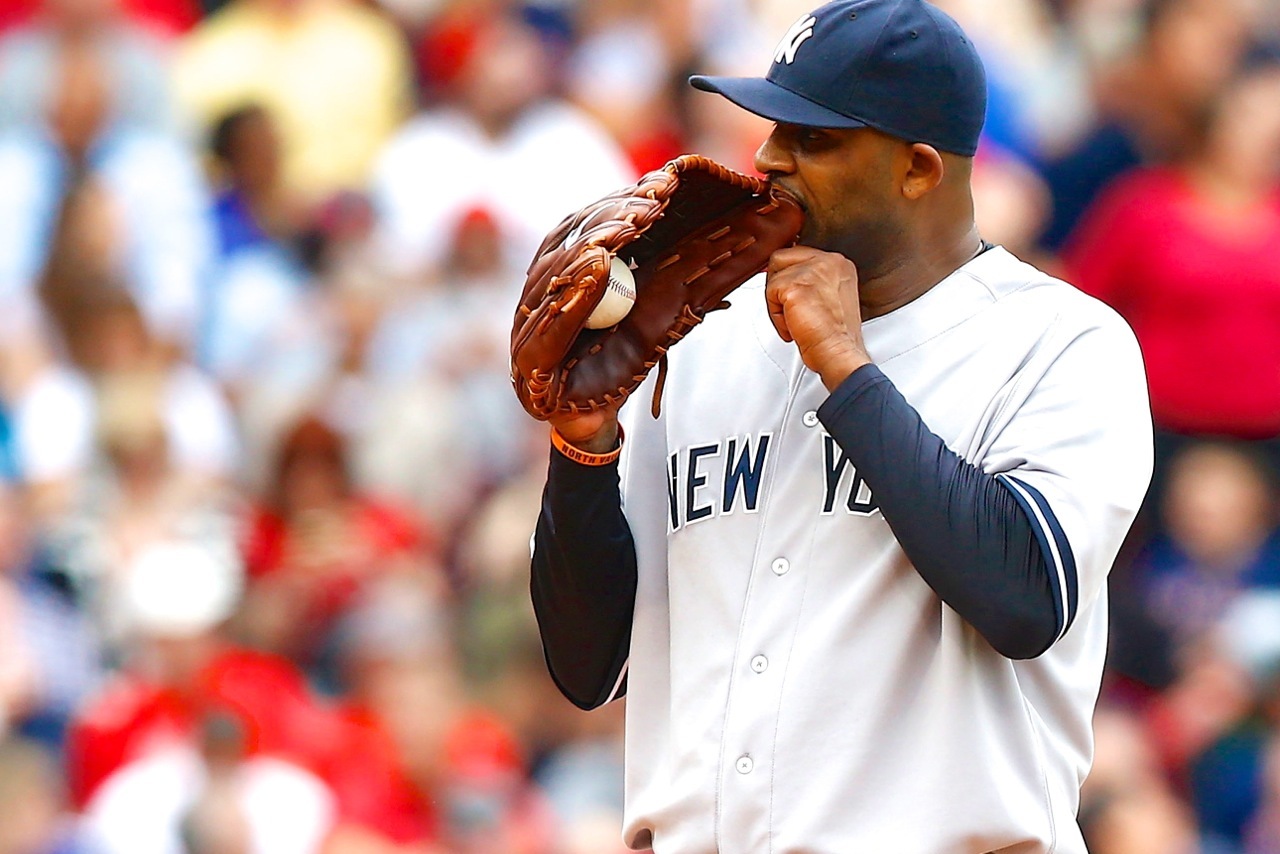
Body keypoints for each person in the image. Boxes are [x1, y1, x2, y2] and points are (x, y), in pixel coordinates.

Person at [525, 1, 1153, 851]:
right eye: (773, 124)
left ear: (919, 169)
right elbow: (590, 665)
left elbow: (1023, 600)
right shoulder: (705, 338)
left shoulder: (1060, 343)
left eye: (814, 139)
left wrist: (848, 370)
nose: (768, 158)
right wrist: (584, 444)